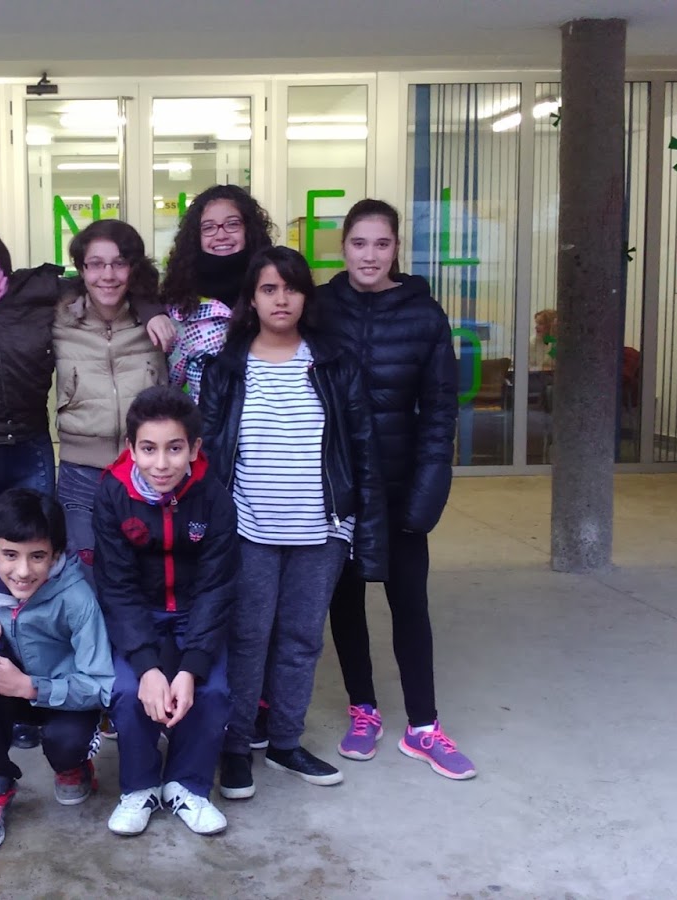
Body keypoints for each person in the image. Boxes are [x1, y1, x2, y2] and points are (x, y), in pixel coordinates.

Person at [198, 246, 388, 800]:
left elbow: (362, 449)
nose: (281, 299)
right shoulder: (228, 366)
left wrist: (357, 527)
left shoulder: (333, 362)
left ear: (306, 296)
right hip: (249, 530)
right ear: (252, 300)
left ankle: (284, 741)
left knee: (302, 640)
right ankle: (236, 748)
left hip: (320, 531)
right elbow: (209, 453)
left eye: (292, 288)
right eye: (269, 289)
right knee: (248, 638)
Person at [0, 214, 174, 563]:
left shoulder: (36, 292)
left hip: (31, 446)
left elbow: (106, 284)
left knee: (38, 552)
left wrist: (151, 310)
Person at [320, 199, 474, 780]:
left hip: (400, 483)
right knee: (345, 603)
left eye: (381, 244)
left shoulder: (425, 316)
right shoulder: (320, 309)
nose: (369, 255)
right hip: (339, 487)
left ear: (396, 249)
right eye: (359, 243)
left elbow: (439, 411)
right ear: (343, 247)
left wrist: (427, 492)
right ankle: (363, 710)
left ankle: (423, 727)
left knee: (410, 603)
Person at [92, 386, 237, 837]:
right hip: (141, 613)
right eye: (148, 449)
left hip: (196, 612)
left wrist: (190, 667)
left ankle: (187, 786)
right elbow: (117, 587)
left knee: (211, 691)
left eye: (174, 449)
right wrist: (147, 665)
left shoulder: (213, 497)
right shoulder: (112, 494)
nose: (161, 464)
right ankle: (139, 788)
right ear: (131, 448)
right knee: (128, 689)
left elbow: (216, 586)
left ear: (194, 448)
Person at [0, 488, 114, 852]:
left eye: (37, 556)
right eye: (10, 555)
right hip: (5, 693)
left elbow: (101, 685)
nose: (22, 571)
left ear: (56, 554)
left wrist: (29, 687)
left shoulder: (77, 598)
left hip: (63, 696)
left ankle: (73, 765)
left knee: (66, 742)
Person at [53, 219, 169, 582]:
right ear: (81, 269)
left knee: (143, 577)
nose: (108, 275)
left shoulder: (158, 318)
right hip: (81, 472)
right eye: (96, 264)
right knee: (84, 577)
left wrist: (153, 310)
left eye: (119, 263)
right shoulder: (57, 319)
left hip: (147, 470)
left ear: (133, 268)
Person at [158, 184, 275, 402]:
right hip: (207, 422)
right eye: (208, 227)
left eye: (232, 224)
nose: (221, 235)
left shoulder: (273, 291)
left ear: (249, 230)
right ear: (196, 237)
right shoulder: (182, 306)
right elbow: (168, 388)